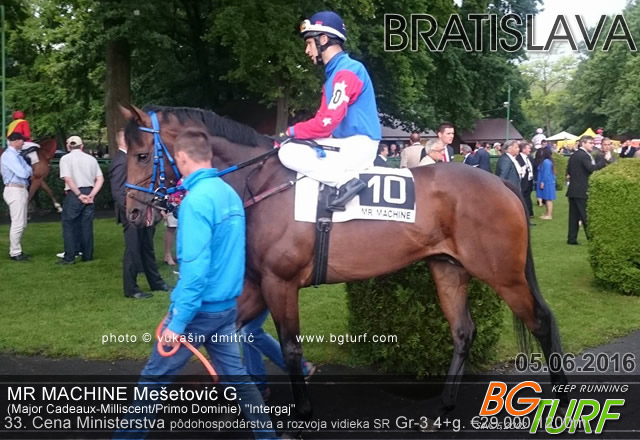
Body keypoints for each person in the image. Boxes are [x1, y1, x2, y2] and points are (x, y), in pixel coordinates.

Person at [113, 128, 279, 440]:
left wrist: (178, 321)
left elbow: (195, 271)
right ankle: (267, 437)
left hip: (199, 310)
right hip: (226, 308)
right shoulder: (228, 193)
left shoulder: (196, 202)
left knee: (153, 378)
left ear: (182, 158)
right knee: (238, 378)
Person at [278, 11, 381, 211]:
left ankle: (346, 183)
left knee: (287, 151)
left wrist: (289, 132)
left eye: (309, 43)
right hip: (351, 143)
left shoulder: (346, 72)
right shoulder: (339, 72)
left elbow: (325, 123)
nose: (307, 50)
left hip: (357, 146)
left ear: (323, 39)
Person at [108, 130, 169, 298]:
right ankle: (131, 289)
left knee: (147, 248)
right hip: (132, 214)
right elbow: (118, 192)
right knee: (133, 250)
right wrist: (132, 212)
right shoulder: (120, 161)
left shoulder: (127, 159)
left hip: (141, 211)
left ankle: (156, 283)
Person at [56, 136, 104, 264]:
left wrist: (78, 195)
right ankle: (87, 255)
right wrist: (92, 195)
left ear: (68, 146)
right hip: (89, 191)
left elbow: (68, 178)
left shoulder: (65, 159)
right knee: (86, 225)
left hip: (74, 193)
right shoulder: (91, 159)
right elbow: (100, 179)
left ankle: (70, 256)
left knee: (69, 225)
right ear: (82, 146)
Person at [566, 135, 609, 245]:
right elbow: (591, 169)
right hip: (582, 190)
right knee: (585, 215)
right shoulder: (583, 155)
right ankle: (592, 239)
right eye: (590, 143)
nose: (592, 145)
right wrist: (604, 160)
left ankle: (572, 239)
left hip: (573, 189)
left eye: (593, 143)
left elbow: (569, 170)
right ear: (583, 143)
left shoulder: (574, 155)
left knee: (574, 216)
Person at [1, 132, 32, 261]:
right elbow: (24, 173)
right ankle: (15, 252)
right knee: (18, 223)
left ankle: (16, 250)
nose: (23, 143)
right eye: (22, 140)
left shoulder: (17, 156)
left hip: (20, 189)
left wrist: (26, 171)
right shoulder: (9, 156)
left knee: (21, 223)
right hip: (14, 189)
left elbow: (29, 170)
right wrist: (26, 171)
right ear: (15, 141)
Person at [536, 147, 556, 220]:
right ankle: (547, 214)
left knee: (548, 199)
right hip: (548, 182)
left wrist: (542, 182)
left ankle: (549, 215)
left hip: (547, 183)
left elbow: (546, 173)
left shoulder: (546, 162)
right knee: (546, 198)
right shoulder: (548, 161)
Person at [516, 142, 535, 219]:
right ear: (523, 149)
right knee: (523, 196)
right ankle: (524, 212)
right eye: (528, 148)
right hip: (523, 180)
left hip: (530, 180)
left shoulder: (529, 157)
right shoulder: (518, 158)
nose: (530, 149)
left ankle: (530, 212)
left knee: (528, 196)